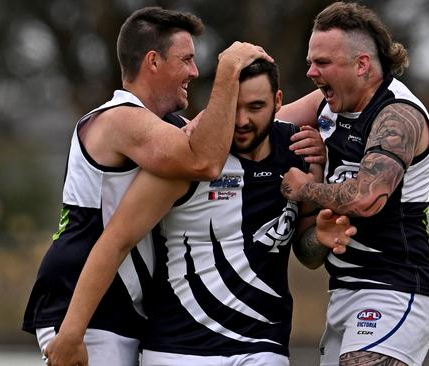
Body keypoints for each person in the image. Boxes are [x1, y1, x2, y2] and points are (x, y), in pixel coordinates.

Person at [43, 59, 356, 366]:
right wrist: (71, 333)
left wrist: (319, 237)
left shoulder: (299, 151)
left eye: (256, 107)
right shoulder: (187, 158)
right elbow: (115, 242)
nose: (242, 120)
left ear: (277, 102)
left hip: (263, 348)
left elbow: (308, 253)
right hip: (178, 350)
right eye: (233, 106)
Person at [22, 7, 273, 366]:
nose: (194, 72)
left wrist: (314, 122)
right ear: (153, 61)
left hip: (120, 308)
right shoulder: (119, 118)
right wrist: (228, 72)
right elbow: (205, 160)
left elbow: (228, 134)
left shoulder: (164, 126)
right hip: (81, 310)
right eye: (186, 60)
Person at [276, 2, 429, 366]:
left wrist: (304, 188)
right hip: (343, 294)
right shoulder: (326, 106)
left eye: (322, 63)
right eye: (309, 61)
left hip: (396, 290)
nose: (310, 72)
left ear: (362, 64)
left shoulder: (398, 113)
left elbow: (368, 198)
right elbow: (260, 128)